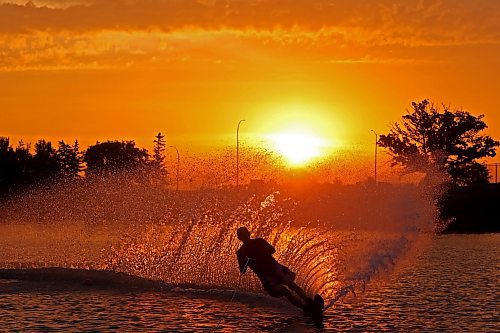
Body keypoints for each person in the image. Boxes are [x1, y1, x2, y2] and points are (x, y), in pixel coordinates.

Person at [236, 226, 323, 314]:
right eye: (242, 235)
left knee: (291, 284)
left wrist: (261, 255)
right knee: (286, 292)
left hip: (275, 268)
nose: (245, 236)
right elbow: (242, 271)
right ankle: (305, 308)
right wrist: (247, 261)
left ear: (249, 233)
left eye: (246, 234)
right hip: (266, 278)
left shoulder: (259, 241)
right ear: (239, 238)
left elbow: (272, 250)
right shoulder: (240, 253)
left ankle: (309, 301)